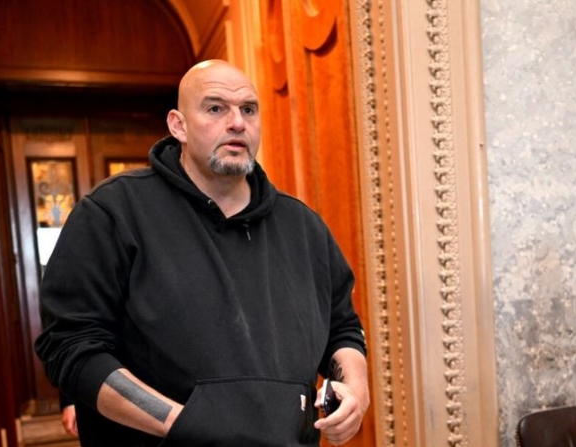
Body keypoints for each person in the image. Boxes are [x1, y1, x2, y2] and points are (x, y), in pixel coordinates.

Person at [34, 59, 369, 446]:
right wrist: (183, 423)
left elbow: (342, 328)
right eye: (215, 108)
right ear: (178, 125)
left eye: (248, 109)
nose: (237, 123)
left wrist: (356, 394)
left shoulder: (304, 227)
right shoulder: (113, 213)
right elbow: (71, 348)